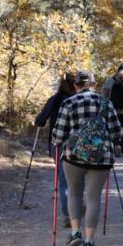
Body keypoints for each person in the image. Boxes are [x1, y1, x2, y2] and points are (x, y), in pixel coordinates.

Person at [51, 70, 123, 246]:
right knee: (93, 198)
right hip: (101, 158)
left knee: (74, 193)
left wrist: (60, 141)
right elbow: (117, 132)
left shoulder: (68, 102)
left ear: (76, 85)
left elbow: (58, 135)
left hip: (73, 157)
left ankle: (75, 233)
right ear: (93, 84)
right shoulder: (106, 103)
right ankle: (89, 241)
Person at [35, 72, 76, 226]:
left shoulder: (54, 100)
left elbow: (40, 120)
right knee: (77, 179)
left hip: (57, 144)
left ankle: (68, 214)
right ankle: (76, 210)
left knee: (64, 180)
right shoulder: (79, 100)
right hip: (78, 145)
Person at [102, 63, 123, 154]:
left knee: (114, 128)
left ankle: (116, 145)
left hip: (113, 109)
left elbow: (104, 95)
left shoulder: (109, 81)